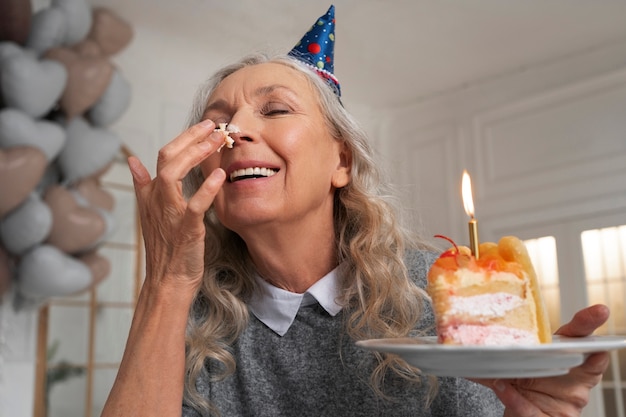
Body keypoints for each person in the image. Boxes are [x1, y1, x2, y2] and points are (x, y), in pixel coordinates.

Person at [101, 6, 610, 417]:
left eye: (276, 109)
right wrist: (165, 282)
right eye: (217, 124)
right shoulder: (187, 317)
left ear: (341, 160)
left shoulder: (434, 292)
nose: (236, 133)